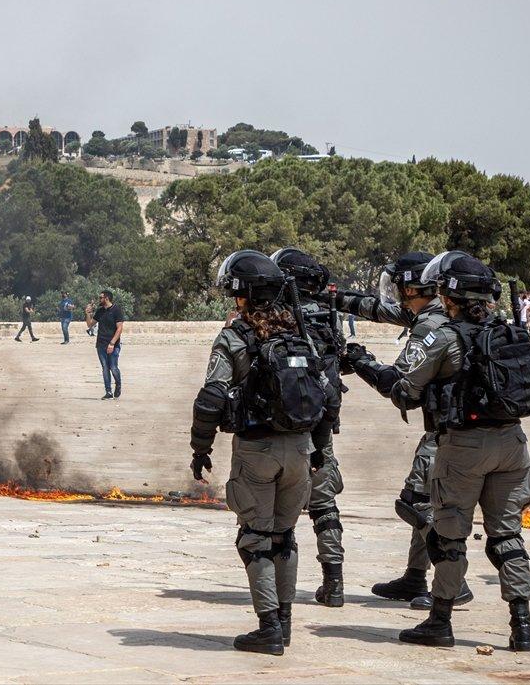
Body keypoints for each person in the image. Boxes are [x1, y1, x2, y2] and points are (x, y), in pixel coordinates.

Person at [351, 251, 530, 652]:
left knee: (450, 535)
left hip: (463, 446)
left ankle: (440, 621)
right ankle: (522, 626)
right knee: (506, 536)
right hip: (513, 445)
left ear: (449, 296)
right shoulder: (508, 332)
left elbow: (403, 389)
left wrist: (363, 362)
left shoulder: (444, 337)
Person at [187, 250, 337, 655]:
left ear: (243, 295)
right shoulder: (299, 333)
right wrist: (320, 448)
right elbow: (328, 396)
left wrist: (200, 447)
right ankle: (284, 624)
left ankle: (268, 627)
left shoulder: (235, 337)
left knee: (254, 539)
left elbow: (210, 398)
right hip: (301, 450)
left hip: (257, 450)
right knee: (285, 537)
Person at [335, 251, 473, 611]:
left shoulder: (430, 326)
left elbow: (397, 386)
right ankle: (415, 575)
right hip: (456, 426)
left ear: (414, 289)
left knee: (415, 503)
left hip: (447, 431)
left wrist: (360, 361)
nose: (395, 294)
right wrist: (332, 297)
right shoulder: (440, 312)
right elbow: (376, 309)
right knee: (424, 499)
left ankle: (454, 582)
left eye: (399, 287)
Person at [271, 248, 346, 607]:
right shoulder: (325, 319)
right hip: (321, 428)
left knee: (276, 515)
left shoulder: (278, 318)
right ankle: (335, 583)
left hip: (286, 431)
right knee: (325, 508)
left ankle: (275, 594)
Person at [86, 290, 124, 399]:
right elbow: (90, 324)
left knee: (113, 367)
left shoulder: (117, 310)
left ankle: (118, 384)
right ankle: (108, 392)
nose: (99, 299)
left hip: (113, 344)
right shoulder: (100, 311)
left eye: (100, 297)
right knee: (105, 368)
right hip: (101, 344)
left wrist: (112, 343)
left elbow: (119, 328)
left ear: (106, 298)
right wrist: (88, 313)